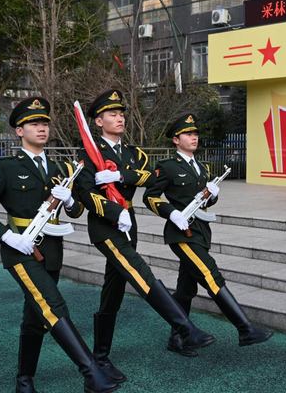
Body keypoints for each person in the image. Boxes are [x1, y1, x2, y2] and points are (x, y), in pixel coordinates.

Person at [0, 97, 120, 393]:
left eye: (45, 123)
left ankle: (24, 381)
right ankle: (91, 372)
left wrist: (71, 200)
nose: (42, 128)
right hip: (19, 249)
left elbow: (75, 212)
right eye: (34, 124)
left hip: (50, 251)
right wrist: (7, 236)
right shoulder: (6, 167)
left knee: (35, 316)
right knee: (52, 304)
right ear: (19, 131)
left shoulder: (61, 168)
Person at [76, 90, 215, 369]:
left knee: (113, 290)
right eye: (113, 114)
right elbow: (85, 192)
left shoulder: (132, 153)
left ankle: (100, 357)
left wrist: (120, 175)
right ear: (99, 121)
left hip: (129, 222)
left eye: (121, 114)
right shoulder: (89, 152)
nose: (120, 118)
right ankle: (184, 327)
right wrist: (114, 211)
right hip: (105, 225)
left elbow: (151, 176)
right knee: (139, 271)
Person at [143, 113, 273, 355]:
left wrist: (212, 196)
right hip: (181, 234)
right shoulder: (167, 166)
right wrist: (172, 213)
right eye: (188, 134)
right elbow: (149, 197)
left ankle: (178, 338)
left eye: (195, 134)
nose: (194, 137)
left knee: (186, 289)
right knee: (210, 275)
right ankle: (245, 329)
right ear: (176, 140)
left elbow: (205, 203)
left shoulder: (203, 167)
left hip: (201, 232)